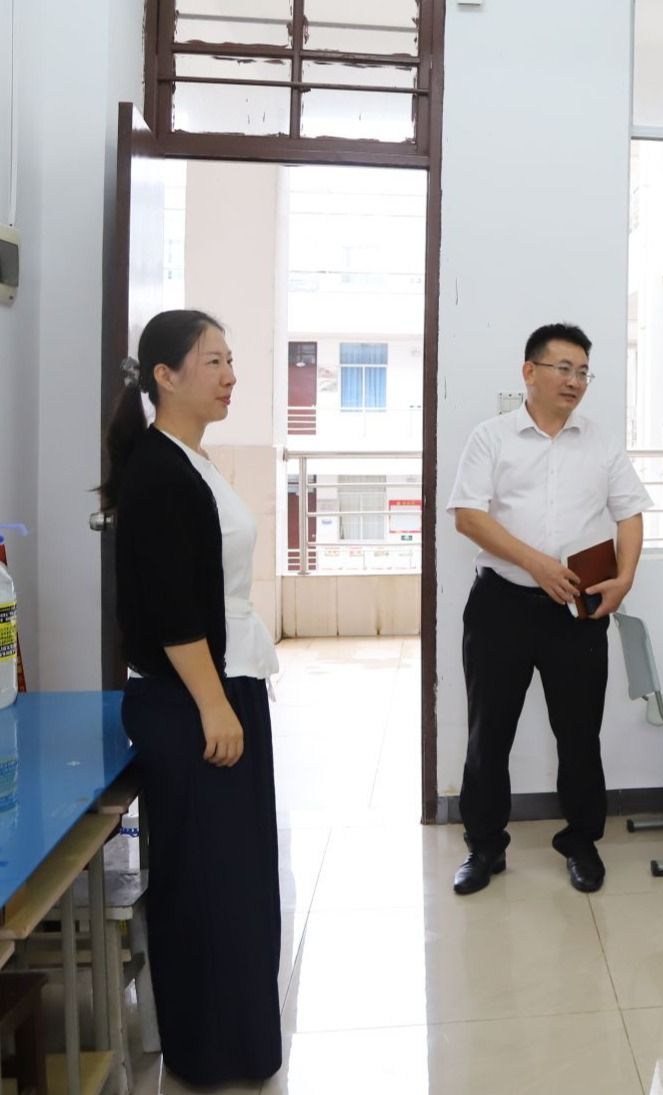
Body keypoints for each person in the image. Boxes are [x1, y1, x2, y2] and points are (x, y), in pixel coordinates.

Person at [101, 310, 282, 1086]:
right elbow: (173, 608)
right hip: (194, 699)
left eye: (231, 360)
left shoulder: (187, 460)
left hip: (225, 681)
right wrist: (213, 704)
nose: (230, 375)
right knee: (210, 885)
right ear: (165, 376)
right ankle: (210, 1054)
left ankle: (241, 1043)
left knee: (238, 880)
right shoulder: (159, 472)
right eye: (214, 362)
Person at [446, 322, 651, 895]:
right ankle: (485, 847)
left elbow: (630, 512)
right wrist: (537, 564)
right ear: (529, 372)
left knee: (580, 734)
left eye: (583, 371)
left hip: (577, 610)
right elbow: (469, 516)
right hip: (501, 606)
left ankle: (581, 841)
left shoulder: (601, 441)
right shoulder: (491, 437)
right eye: (563, 368)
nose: (575, 381)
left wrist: (625, 578)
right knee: (489, 733)